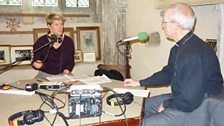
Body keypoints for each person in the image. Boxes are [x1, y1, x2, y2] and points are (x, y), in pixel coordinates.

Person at [124, 3, 223, 126]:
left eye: (164, 22)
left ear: (177, 25)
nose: (162, 25)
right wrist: (139, 83)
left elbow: (189, 101)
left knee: (140, 124)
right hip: (184, 97)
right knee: (139, 105)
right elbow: (168, 73)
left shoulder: (194, 54)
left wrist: (167, 104)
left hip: (198, 105)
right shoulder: (179, 47)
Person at [32, 13, 75, 79]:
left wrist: (65, 74)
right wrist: (36, 64)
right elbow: (36, 60)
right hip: (44, 75)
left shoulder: (68, 41)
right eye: (56, 24)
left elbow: (70, 61)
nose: (60, 27)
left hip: (63, 74)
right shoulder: (41, 41)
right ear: (49, 26)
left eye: (61, 24)